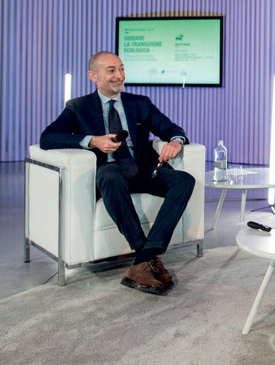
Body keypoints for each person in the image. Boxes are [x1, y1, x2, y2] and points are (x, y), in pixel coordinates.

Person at [40, 51, 195, 295]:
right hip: (109, 172)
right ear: (93, 75)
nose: (119, 75)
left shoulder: (140, 103)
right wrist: (93, 141)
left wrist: (176, 142)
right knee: (111, 175)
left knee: (184, 180)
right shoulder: (78, 107)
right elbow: (47, 138)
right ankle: (145, 258)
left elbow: (173, 129)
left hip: (140, 168)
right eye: (111, 70)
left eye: (121, 69)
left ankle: (146, 257)